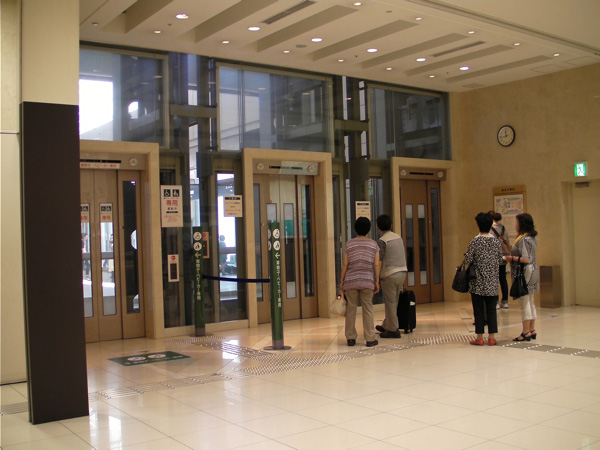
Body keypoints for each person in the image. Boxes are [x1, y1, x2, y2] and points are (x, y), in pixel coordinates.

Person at [340, 217, 381, 347]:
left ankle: (351, 338)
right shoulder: (374, 244)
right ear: (368, 229)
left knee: (351, 309)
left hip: (351, 281)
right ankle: (370, 338)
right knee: (368, 309)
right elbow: (376, 265)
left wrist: (342, 281)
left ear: (355, 229)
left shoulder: (349, 244)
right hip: (367, 281)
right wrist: (377, 281)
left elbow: (345, 264)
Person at [464, 212, 503, 346]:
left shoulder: (475, 241)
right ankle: (492, 337)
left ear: (478, 225)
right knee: (492, 309)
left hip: (477, 281)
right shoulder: (496, 242)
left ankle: (479, 337)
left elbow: (468, 260)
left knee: (478, 309)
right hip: (492, 281)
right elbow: (500, 259)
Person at [505, 213, 539, 341]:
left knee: (525, 302)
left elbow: (526, 258)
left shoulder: (524, 240)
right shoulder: (532, 238)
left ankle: (525, 332)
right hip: (533, 271)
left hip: (525, 272)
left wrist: (511, 258)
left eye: (517, 223)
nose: (515, 225)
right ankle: (532, 329)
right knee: (531, 300)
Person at [375, 214, 407, 338]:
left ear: (378, 227)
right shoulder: (398, 237)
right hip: (402, 272)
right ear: (391, 225)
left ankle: (393, 330)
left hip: (390, 274)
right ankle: (386, 324)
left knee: (390, 303)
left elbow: (379, 261)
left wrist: (377, 278)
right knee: (394, 301)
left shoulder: (382, 241)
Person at [488, 211, 511, 309]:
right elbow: (507, 242)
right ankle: (505, 301)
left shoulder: (490, 229)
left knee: (494, 280)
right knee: (503, 279)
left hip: (493, 256)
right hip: (503, 256)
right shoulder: (504, 228)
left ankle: (496, 301)